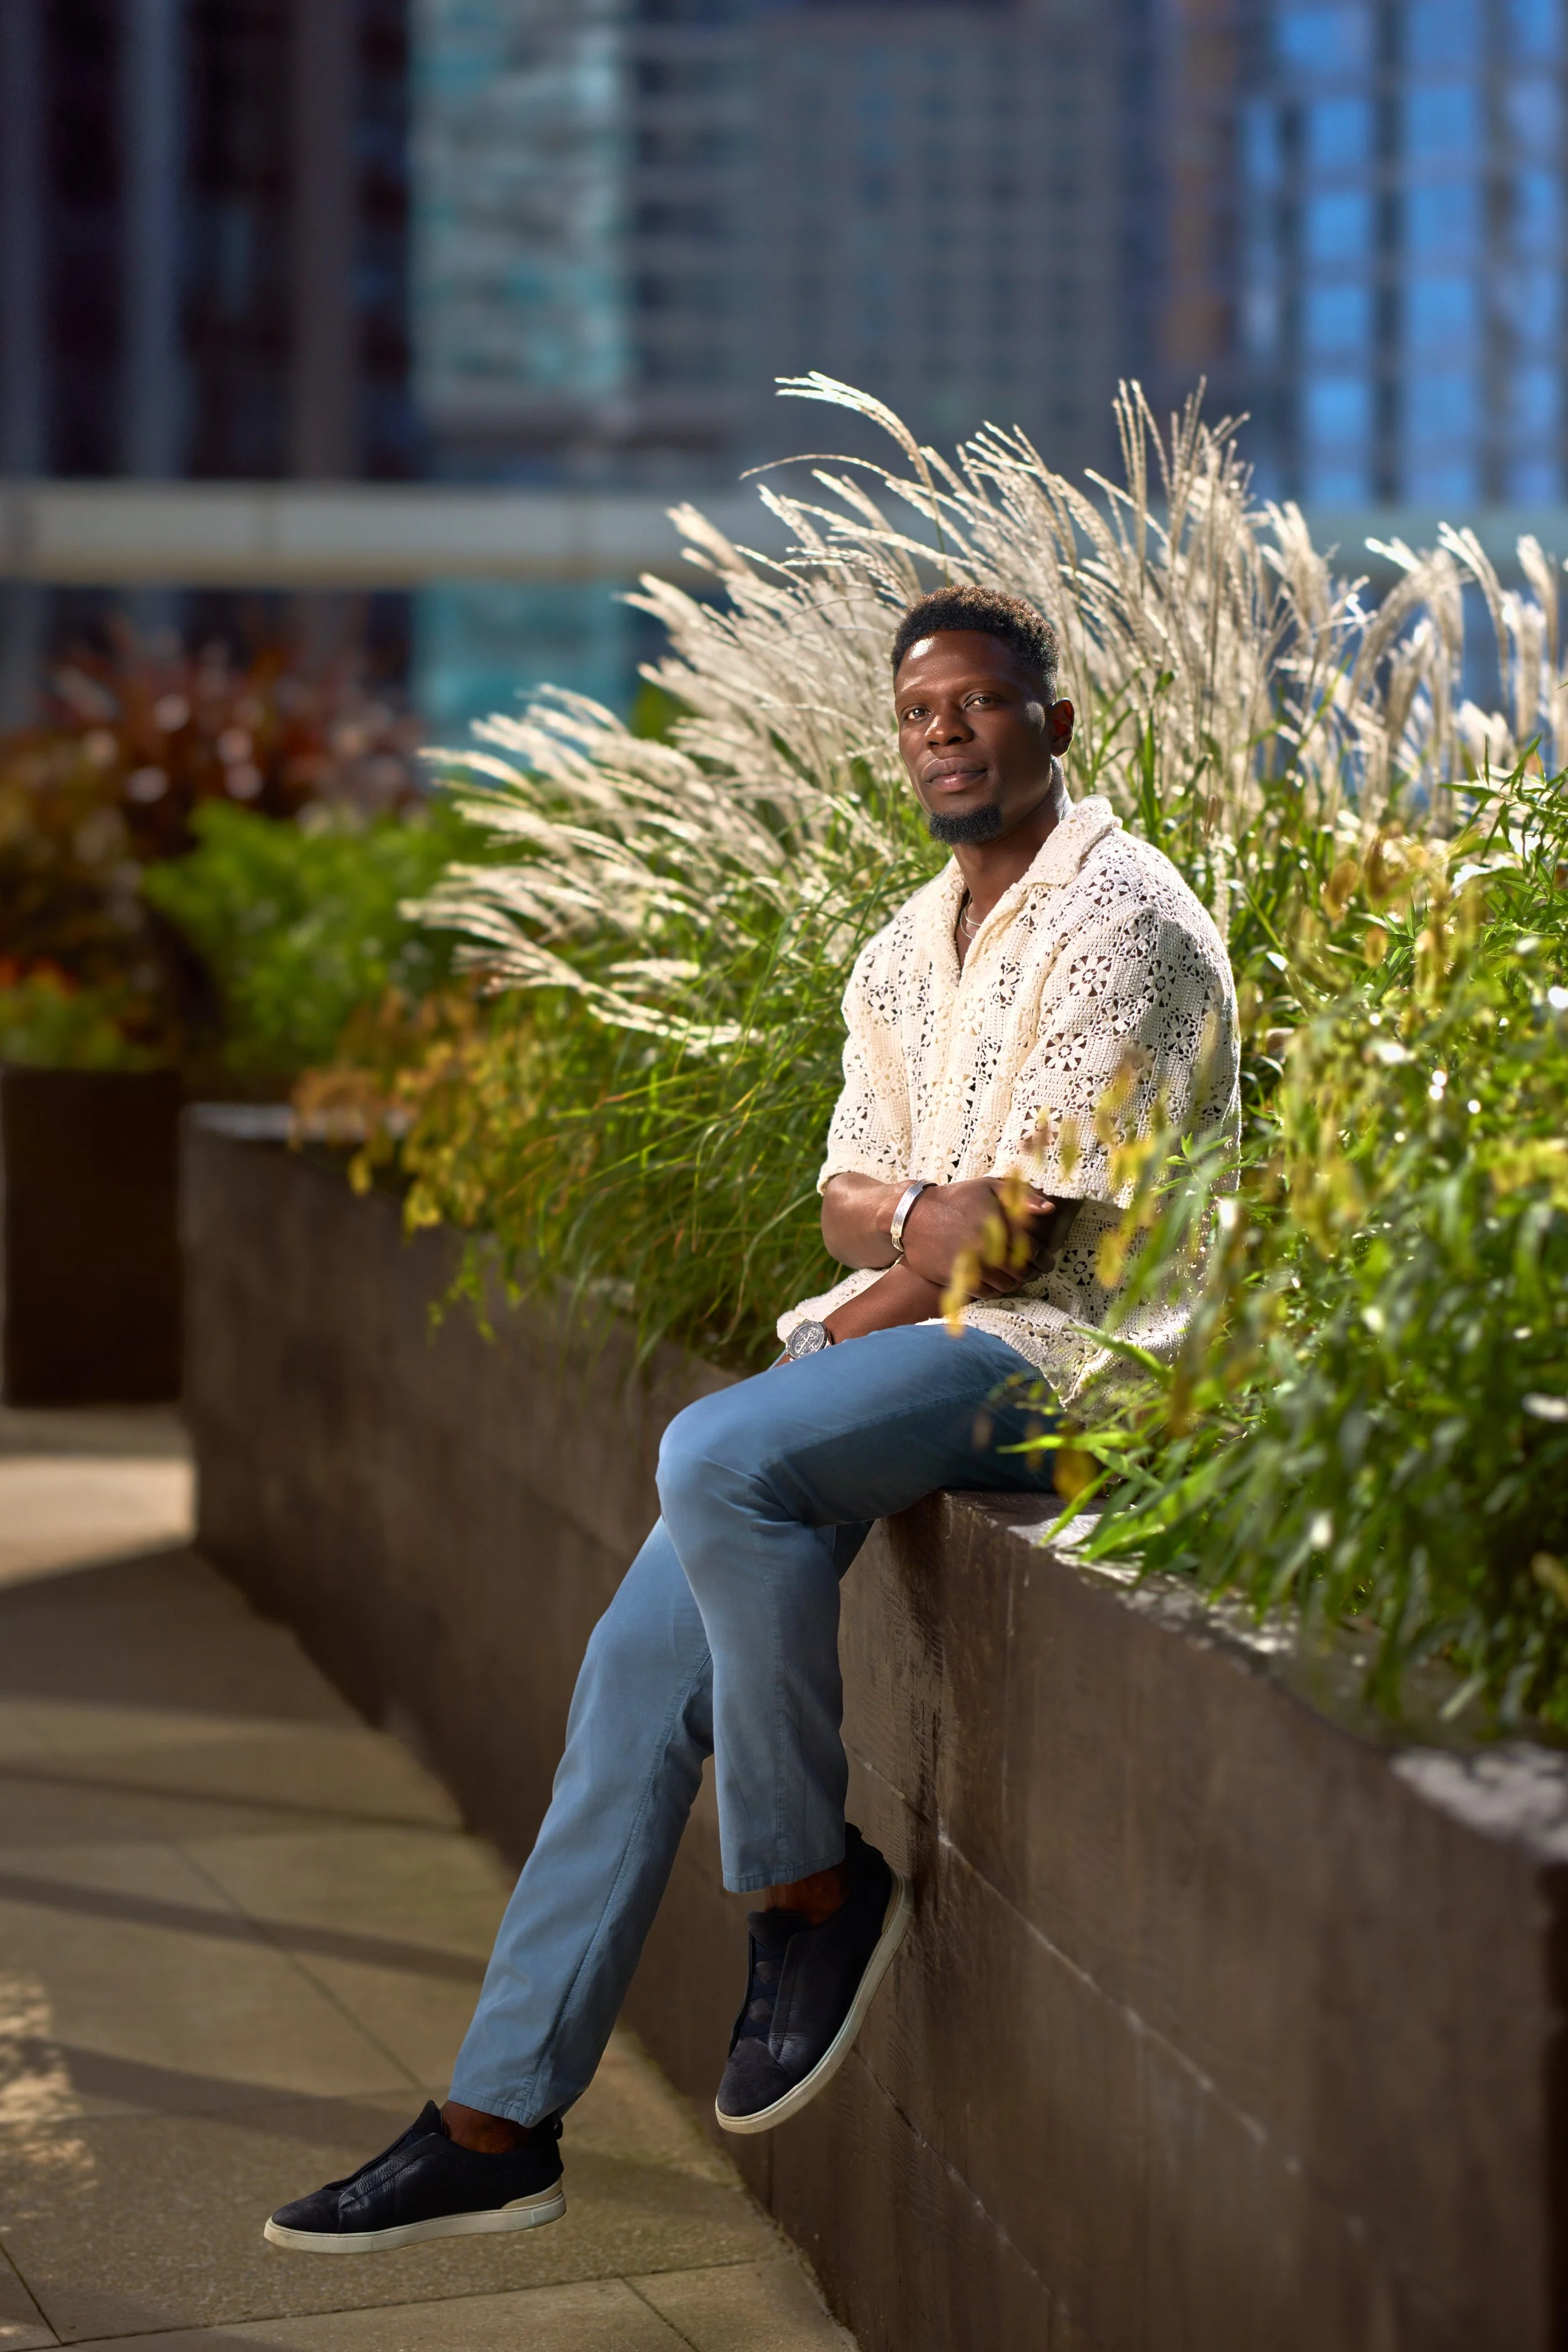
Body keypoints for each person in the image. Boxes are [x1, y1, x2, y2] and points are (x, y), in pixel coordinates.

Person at [263, 583, 1239, 2254]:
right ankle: (498, 2117)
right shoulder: (897, 944)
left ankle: (805, 1881)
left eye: (981, 704)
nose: (947, 733)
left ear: (1054, 723)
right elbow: (850, 1201)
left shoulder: (1121, 913)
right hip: (929, 1348)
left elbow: (1006, 1244)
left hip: (1087, 1364)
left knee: (718, 1448)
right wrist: (905, 1237)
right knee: (632, 1678)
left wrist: (907, 1243)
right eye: (920, 713)